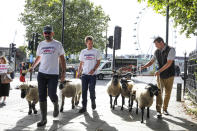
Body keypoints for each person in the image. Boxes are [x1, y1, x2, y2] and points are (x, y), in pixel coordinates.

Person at [29, 25, 66, 127]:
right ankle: (43, 119)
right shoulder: (41, 44)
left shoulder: (58, 44)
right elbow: (39, 57)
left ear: (52, 33)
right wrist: (33, 67)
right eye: (45, 33)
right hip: (41, 73)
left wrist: (63, 73)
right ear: (43, 34)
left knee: (51, 94)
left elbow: (62, 59)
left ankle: (56, 104)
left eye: (49, 33)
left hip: (53, 74)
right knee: (41, 96)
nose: (47, 34)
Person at [141, 36, 175, 118]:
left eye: (156, 44)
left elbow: (169, 63)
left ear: (161, 43)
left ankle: (165, 109)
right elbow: (151, 61)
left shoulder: (171, 50)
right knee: (158, 92)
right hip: (160, 75)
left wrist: (159, 71)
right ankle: (158, 111)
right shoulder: (156, 52)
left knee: (168, 93)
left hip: (170, 74)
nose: (155, 46)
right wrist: (144, 67)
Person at [77, 36, 101, 113]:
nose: (90, 45)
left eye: (91, 43)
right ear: (86, 43)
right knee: (84, 91)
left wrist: (93, 70)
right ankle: (84, 107)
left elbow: (98, 62)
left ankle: (93, 102)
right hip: (84, 75)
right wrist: (78, 72)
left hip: (93, 75)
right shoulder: (83, 52)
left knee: (91, 89)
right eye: (89, 43)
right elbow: (81, 63)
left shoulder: (96, 51)